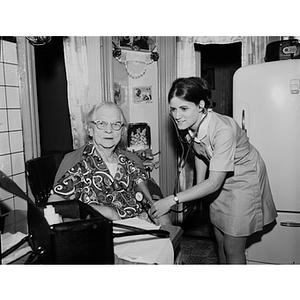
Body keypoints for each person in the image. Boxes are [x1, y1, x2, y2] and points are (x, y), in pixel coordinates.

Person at [151, 77, 277, 264]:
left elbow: (215, 182)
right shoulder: (186, 126)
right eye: (173, 109)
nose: (177, 115)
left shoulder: (223, 130)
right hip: (219, 176)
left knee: (232, 245)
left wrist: (172, 200)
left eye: (184, 108)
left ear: (201, 105)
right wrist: (198, 188)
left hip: (243, 180)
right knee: (219, 236)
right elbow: (201, 153)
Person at [48, 102, 172, 226]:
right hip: (101, 237)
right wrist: (106, 211)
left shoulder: (130, 162)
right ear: (90, 129)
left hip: (140, 232)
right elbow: (54, 206)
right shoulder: (76, 162)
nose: (109, 130)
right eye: (101, 124)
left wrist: (167, 230)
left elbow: (149, 203)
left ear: (122, 131)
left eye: (116, 124)